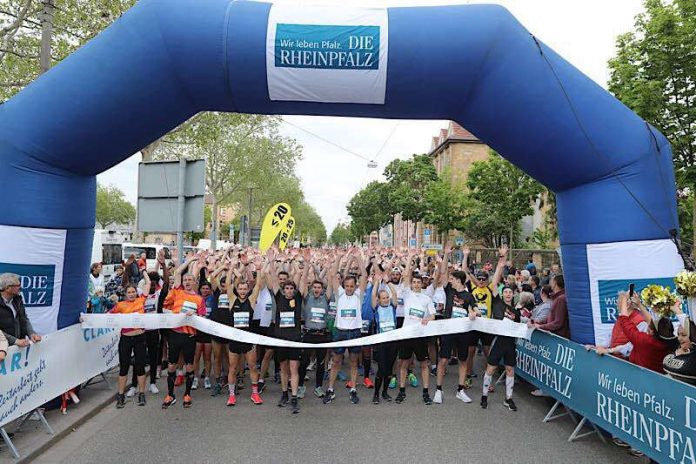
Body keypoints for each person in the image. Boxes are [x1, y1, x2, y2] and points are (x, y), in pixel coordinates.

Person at [161, 257, 207, 409]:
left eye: (190, 280)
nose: (187, 282)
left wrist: (194, 317)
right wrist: (191, 260)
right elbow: (179, 271)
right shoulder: (177, 292)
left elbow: (202, 318)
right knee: (172, 366)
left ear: (195, 282)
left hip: (189, 336)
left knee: (189, 366)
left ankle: (187, 394)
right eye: (185, 280)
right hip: (175, 334)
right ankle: (170, 394)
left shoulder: (199, 299)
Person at [478, 245, 520, 411]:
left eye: (510, 292)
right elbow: (495, 282)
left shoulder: (516, 312)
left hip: (510, 343)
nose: (508, 294)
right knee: (491, 368)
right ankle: (484, 396)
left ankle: (508, 398)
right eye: (506, 292)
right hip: (498, 341)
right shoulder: (498, 303)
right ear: (503, 294)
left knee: (510, 369)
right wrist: (501, 261)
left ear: (513, 295)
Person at [324, 249, 367, 405]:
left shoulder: (359, 295)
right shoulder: (339, 293)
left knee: (354, 362)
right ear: (344, 286)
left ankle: (353, 389)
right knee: (336, 362)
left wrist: (358, 258)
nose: (349, 288)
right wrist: (340, 257)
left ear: (355, 287)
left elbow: (364, 276)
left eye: (351, 286)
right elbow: (333, 274)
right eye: (347, 286)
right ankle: (330, 389)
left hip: (354, 332)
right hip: (340, 332)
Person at [396, 254, 436, 405]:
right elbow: (406, 275)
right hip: (407, 334)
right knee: (404, 363)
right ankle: (401, 391)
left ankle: (425, 392)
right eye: (414, 282)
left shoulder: (427, 298)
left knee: (424, 364)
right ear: (411, 284)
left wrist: (428, 319)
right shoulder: (407, 294)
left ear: (422, 284)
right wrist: (410, 258)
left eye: (419, 282)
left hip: (420, 335)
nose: (416, 284)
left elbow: (433, 315)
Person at [435, 266, 477, 405]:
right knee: (443, 360)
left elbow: (476, 309)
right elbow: (442, 273)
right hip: (448, 330)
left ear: (459, 280)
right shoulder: (449, 291)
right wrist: (446, 255)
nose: (450, 281)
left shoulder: (469, 296)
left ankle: (460, 390)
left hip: (463, 332)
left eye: (453, 279)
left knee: (463, 360)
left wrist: (474, 313)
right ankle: (439, 390)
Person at [110, 271, 151, 408]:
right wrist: (88, 320)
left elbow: (148, 283)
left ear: (136, 292)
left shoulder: (141, 301)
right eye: (129, 292)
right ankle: (120, 395)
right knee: (124, 368)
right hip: (126, 339)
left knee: (140, 367)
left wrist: (144, 271)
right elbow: (107, 317)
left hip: (140, 338)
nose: (132, 294)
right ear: (125, 294)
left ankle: (141, 393)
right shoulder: (121, 305)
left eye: (134, 291)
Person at [225, 268, 264, 407]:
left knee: (253, 367)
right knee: (233, 368)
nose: (242, 291)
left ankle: (255, 393)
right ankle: (231, 395)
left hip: (248, 341)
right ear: (237, 289)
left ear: (248, 290)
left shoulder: (251, 300)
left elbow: (258, 285)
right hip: (235, 340)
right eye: (240, 289)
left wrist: (258, 269)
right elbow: (228, 285)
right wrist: (231, 266)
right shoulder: (232, 300)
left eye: (244, 289)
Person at [617, 293, 678, 373]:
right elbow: (653, 324)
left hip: (640, 378)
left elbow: (625, 321)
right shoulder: (673, 342)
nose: (648, 324)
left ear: (652, 331)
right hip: (662, 380)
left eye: (650, 326)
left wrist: (624, 298)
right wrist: (639, 305)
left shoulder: (644, 341)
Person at [299, 260, 332, 398]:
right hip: (308, 334)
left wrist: (332, 266)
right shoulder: (307, 298)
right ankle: (300, 386)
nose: (317, 289)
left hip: (322, 335)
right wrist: (307, 267)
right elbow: (302, 283)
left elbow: (331, 283)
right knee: (304, 361)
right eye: (315, 287)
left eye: (319, 287)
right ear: (312, 288)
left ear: (322, 289)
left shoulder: (326, 298)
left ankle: (318, 386)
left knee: (321, 363)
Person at [273, 279, 304, 414]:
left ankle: (294, 397)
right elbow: (274, 281)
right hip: (281, 340)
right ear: (283, 290)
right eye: (287, 288)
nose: (289, 291)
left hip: (294, 339)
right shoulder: (279, 297)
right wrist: (271, 262)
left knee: (293, 368)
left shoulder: (297, 298)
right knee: (283, 368)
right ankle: (284, 393)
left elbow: (302, 284)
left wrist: (307, 264)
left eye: (292, 288)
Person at [370, 269, 399, 404]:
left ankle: (385, 392)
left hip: (392, 342)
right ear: (379, 300)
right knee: (381, 369)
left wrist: (387, 282)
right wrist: (377, 282)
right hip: (381, 342)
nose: (386, 299)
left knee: (389, 370)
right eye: (384, 298)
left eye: (387, 297)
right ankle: (376, 394)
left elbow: (394, 293)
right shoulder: (376, 308)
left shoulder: (392, 307)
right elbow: (373, 296)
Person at [0, 273, 42, 347]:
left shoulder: (18, 300)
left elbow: (24, 319)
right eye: (17, 285)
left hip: (17, 348)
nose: (20, 287)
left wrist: (31, 333)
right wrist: (15, 341)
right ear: (7, 288)